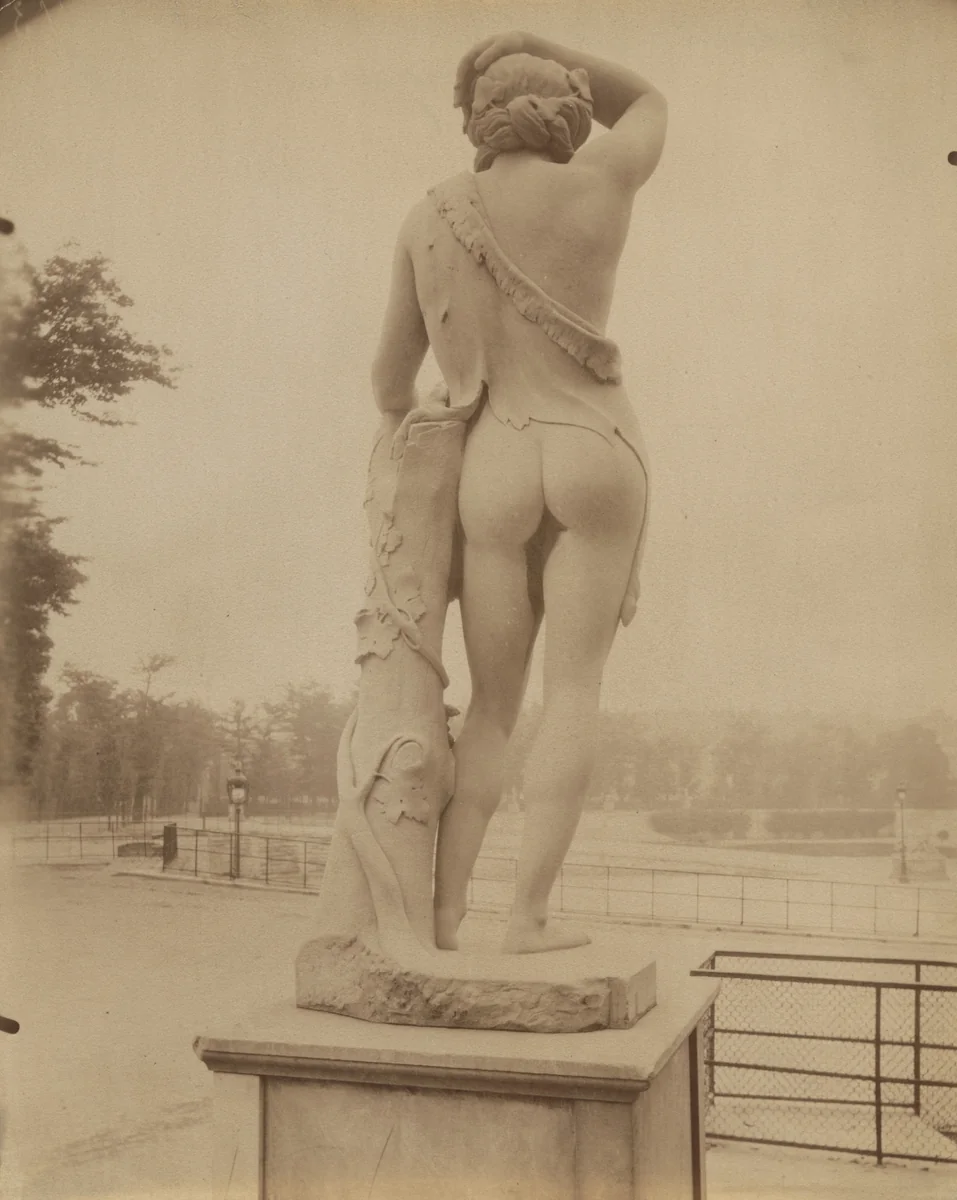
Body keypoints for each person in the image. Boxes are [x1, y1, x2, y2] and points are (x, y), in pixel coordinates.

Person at [370, 32, 667, 952]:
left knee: (493, 708)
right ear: (567, 116)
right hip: (594, 450)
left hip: (492, 466)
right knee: (572, 692)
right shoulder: (598, 184)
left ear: (480, 121)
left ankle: (446, 914)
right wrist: (537, 38)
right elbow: (652, 99)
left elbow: (389, 386)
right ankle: (529, 919)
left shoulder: (427, 218)